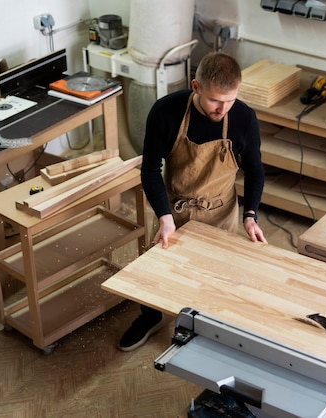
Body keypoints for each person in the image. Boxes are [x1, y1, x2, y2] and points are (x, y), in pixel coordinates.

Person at [118, 51, 268, 351]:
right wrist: (163, 216)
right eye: (215, 100)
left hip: (220, 211)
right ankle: (150, 316)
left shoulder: (243, 117)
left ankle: (206, 326)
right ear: (196, 86)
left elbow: (255, 170)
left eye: (230, 100)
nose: (222, 109)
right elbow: (149, 170)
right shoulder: (166, 112)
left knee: (215, 276)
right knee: (158, 272)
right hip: (176, 210)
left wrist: (250, 215)